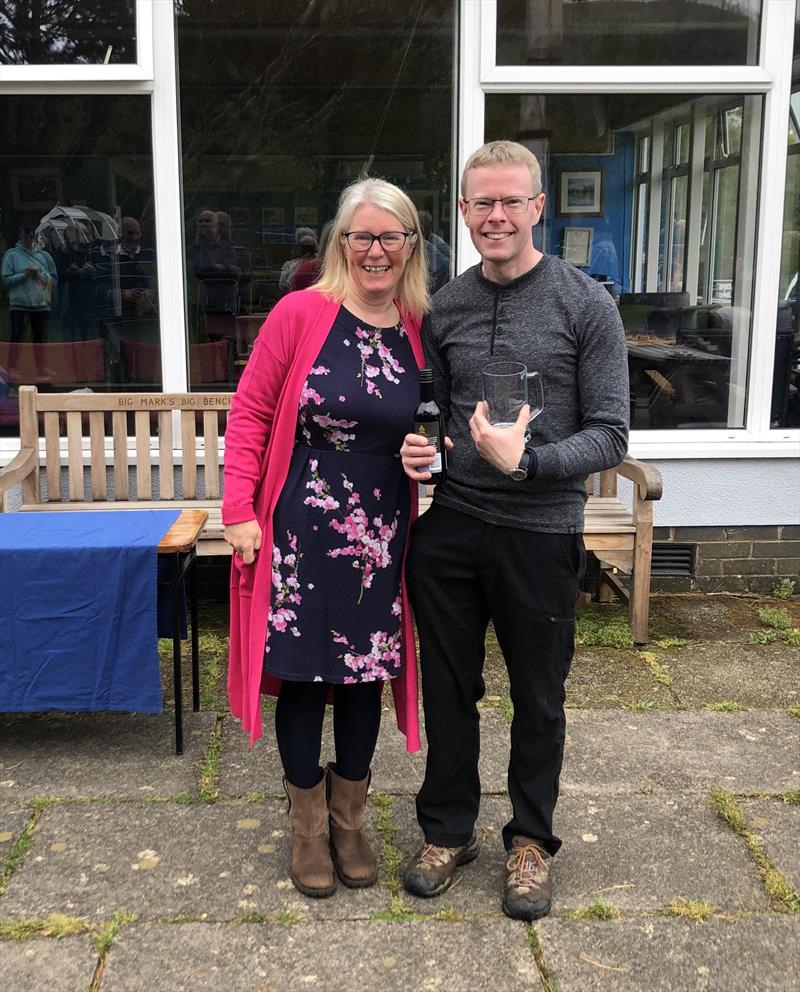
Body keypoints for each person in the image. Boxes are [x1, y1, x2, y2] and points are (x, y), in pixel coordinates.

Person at [399, 140, 629, 921]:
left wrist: (527, 463)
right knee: (449, 690)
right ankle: (448, 829)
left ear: (538, 208)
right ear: (463, 213)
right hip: (454, 526)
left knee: (539, 697)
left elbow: (611, 434)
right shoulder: (447, 307)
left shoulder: (586, 304)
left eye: (510, 201)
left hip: (540, 532)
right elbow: (431, 405)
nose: (495, 216)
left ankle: (530, 841)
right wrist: (422, 445)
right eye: (480, 203)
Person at [222, 178, 429, 899]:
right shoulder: (301, 313)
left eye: (390, 237)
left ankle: (349, 822)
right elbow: (250, 413)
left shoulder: (417, 326)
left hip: (379, 531)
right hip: (301, 524)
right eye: (361, 237)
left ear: (410, 246)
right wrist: (239, 509)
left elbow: (433, 423)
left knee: (365, 674)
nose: (376, 251)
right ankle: (307, 829)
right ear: (342, 243)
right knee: (307, 673)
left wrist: (429, 456)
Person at [1, 221, 58, 381]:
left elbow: (51, 281)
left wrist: (40, 276)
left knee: (40, 338)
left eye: (31, 235)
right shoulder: (11, 255)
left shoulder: (41, 256)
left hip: (39, 304)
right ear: (20, 236)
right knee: (17, 335)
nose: (29, 238)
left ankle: (41, 369)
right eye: (26, 235)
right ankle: (12, 367)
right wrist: (24, 276)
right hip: (19, 303)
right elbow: (5, 281)